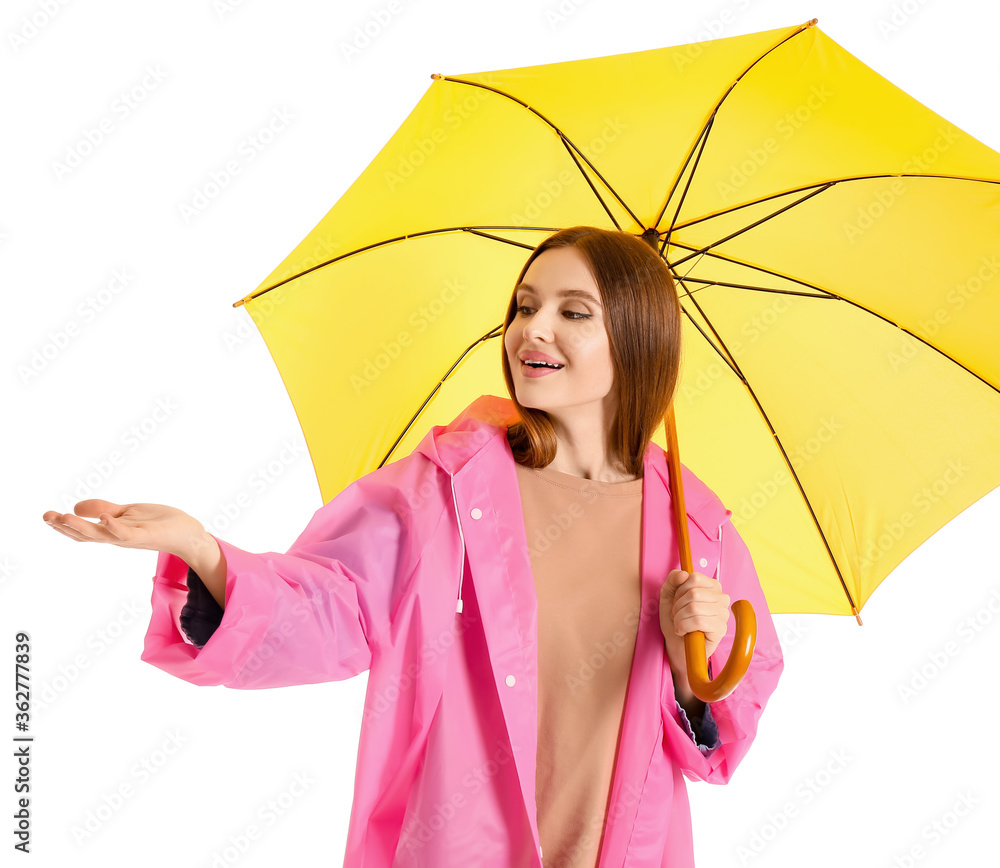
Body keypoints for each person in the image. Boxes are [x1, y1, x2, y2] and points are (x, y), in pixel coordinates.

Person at [42, 225, 783, 867]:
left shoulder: (699, 532)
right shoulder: (447, 487)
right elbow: (335, 608)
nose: (532, 330)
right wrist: (205, 552)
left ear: (640, 338)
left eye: (573, 312)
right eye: (524, 306)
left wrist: (696, 665)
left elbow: (718, 731)